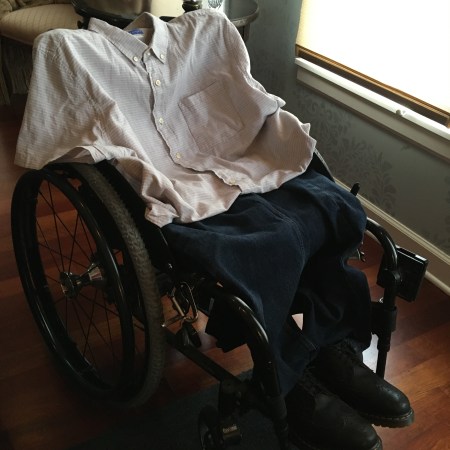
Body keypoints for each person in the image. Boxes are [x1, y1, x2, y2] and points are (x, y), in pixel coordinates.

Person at [15, 8, 413, 449]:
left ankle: (332, 344)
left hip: (249, 167)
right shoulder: (71, 52)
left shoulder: (208, 30)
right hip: (179, 193)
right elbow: (52, 146)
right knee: (266, 249)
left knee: (333, 209)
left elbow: (251, 97)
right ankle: (287, 380)